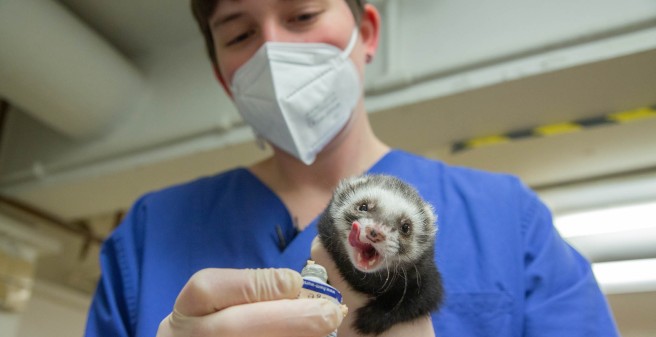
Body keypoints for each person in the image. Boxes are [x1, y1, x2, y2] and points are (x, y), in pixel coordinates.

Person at [84, 0, 620, 336]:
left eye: (302, 15)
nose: (274, 50)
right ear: (226, 78)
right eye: (240, 35)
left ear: (365, 32)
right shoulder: (150, 231)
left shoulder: (506, 217)